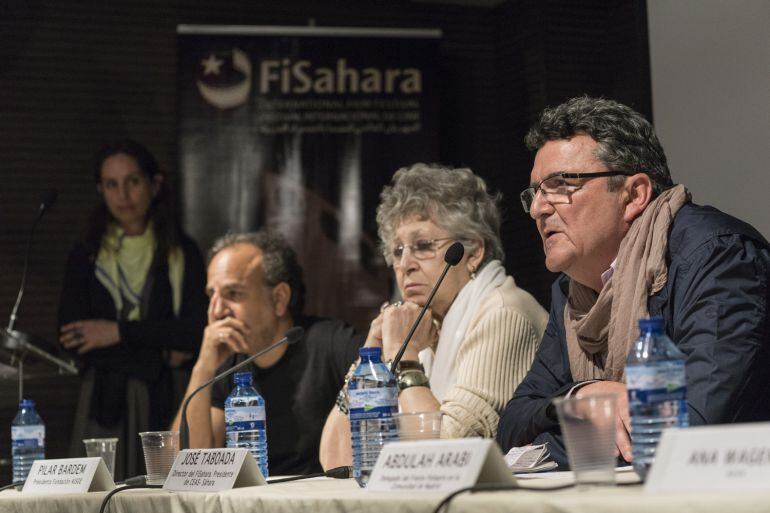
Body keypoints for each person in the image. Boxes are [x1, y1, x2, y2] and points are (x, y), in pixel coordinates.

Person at [496, 96, 770, 468]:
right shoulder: (572, 291)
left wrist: (560, 440)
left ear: (634, 195)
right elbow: (512, 426)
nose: (538, 208)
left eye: (561, 184)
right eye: (536, 191)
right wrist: (585, 395)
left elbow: (691, 430)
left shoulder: (717, 257)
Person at [320, 164, 548, 469]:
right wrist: (368, 360)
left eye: (423, 246)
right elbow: (337, 461)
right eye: (397, 250)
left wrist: (408, 361)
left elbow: (446, 455)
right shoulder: (421, 326)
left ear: (474, 252)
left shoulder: (504, 312)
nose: (405, 264)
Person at [58, 139, 207, 480]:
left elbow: (194, 331)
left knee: (160, 493)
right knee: (100, 496)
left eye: (132, 181)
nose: (122, 194)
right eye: (111, 184)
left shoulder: (183, 250)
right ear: (100, 189)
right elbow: (72, 336)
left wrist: (116, 333)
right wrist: (156, 351)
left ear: (154, 184)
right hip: (103, 402)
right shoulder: (86, 253)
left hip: (166, 398)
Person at [171, 231, 363, 476]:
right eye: (212, 295)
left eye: (233, 294)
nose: (216, 311)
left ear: (279, 298)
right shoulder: (228, 365)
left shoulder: (332, 343)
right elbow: (189, 468)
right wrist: (203, 368)